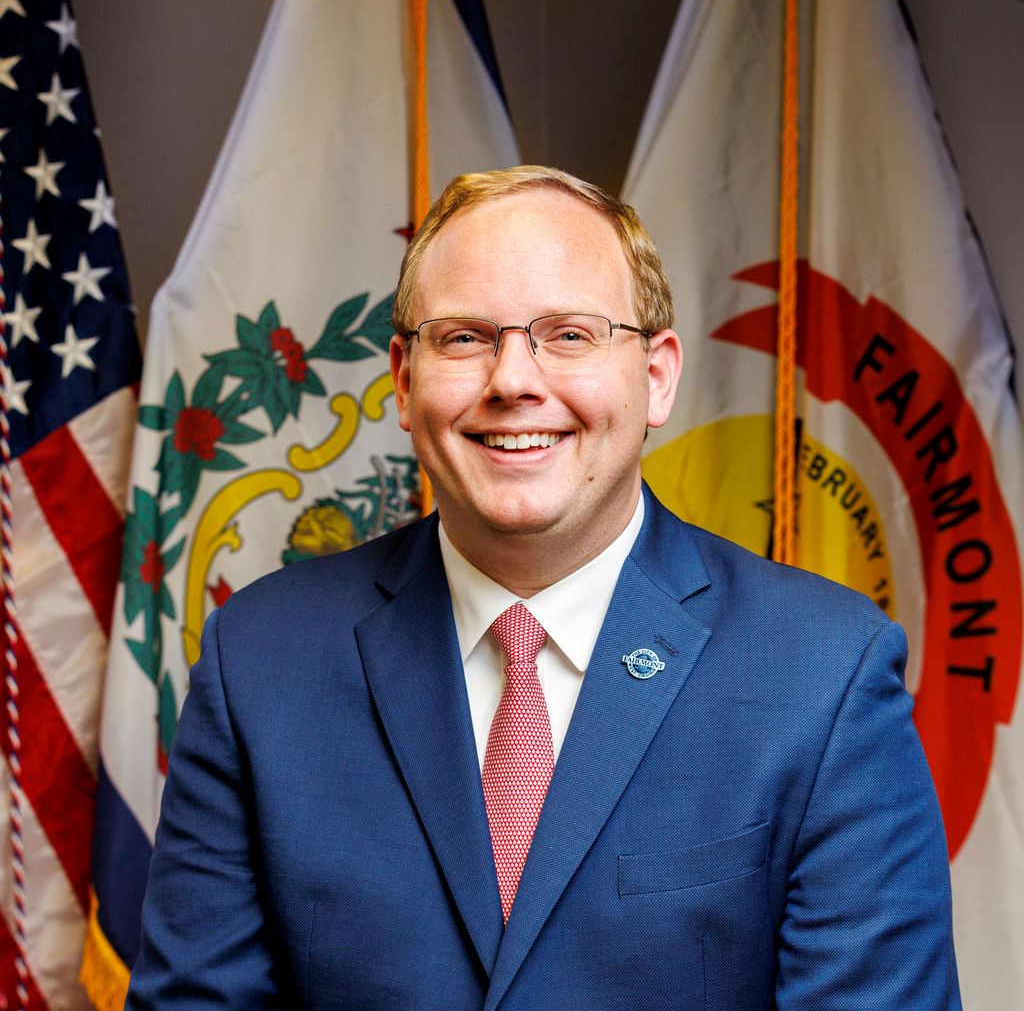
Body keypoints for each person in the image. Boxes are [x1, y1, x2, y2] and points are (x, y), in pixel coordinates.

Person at [126, 166, 961, 1010]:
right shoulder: (260, 661)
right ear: (404, 382)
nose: (514, 380)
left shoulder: (824, 674)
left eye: (569, 334)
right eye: (462, 338)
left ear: (657, 377)